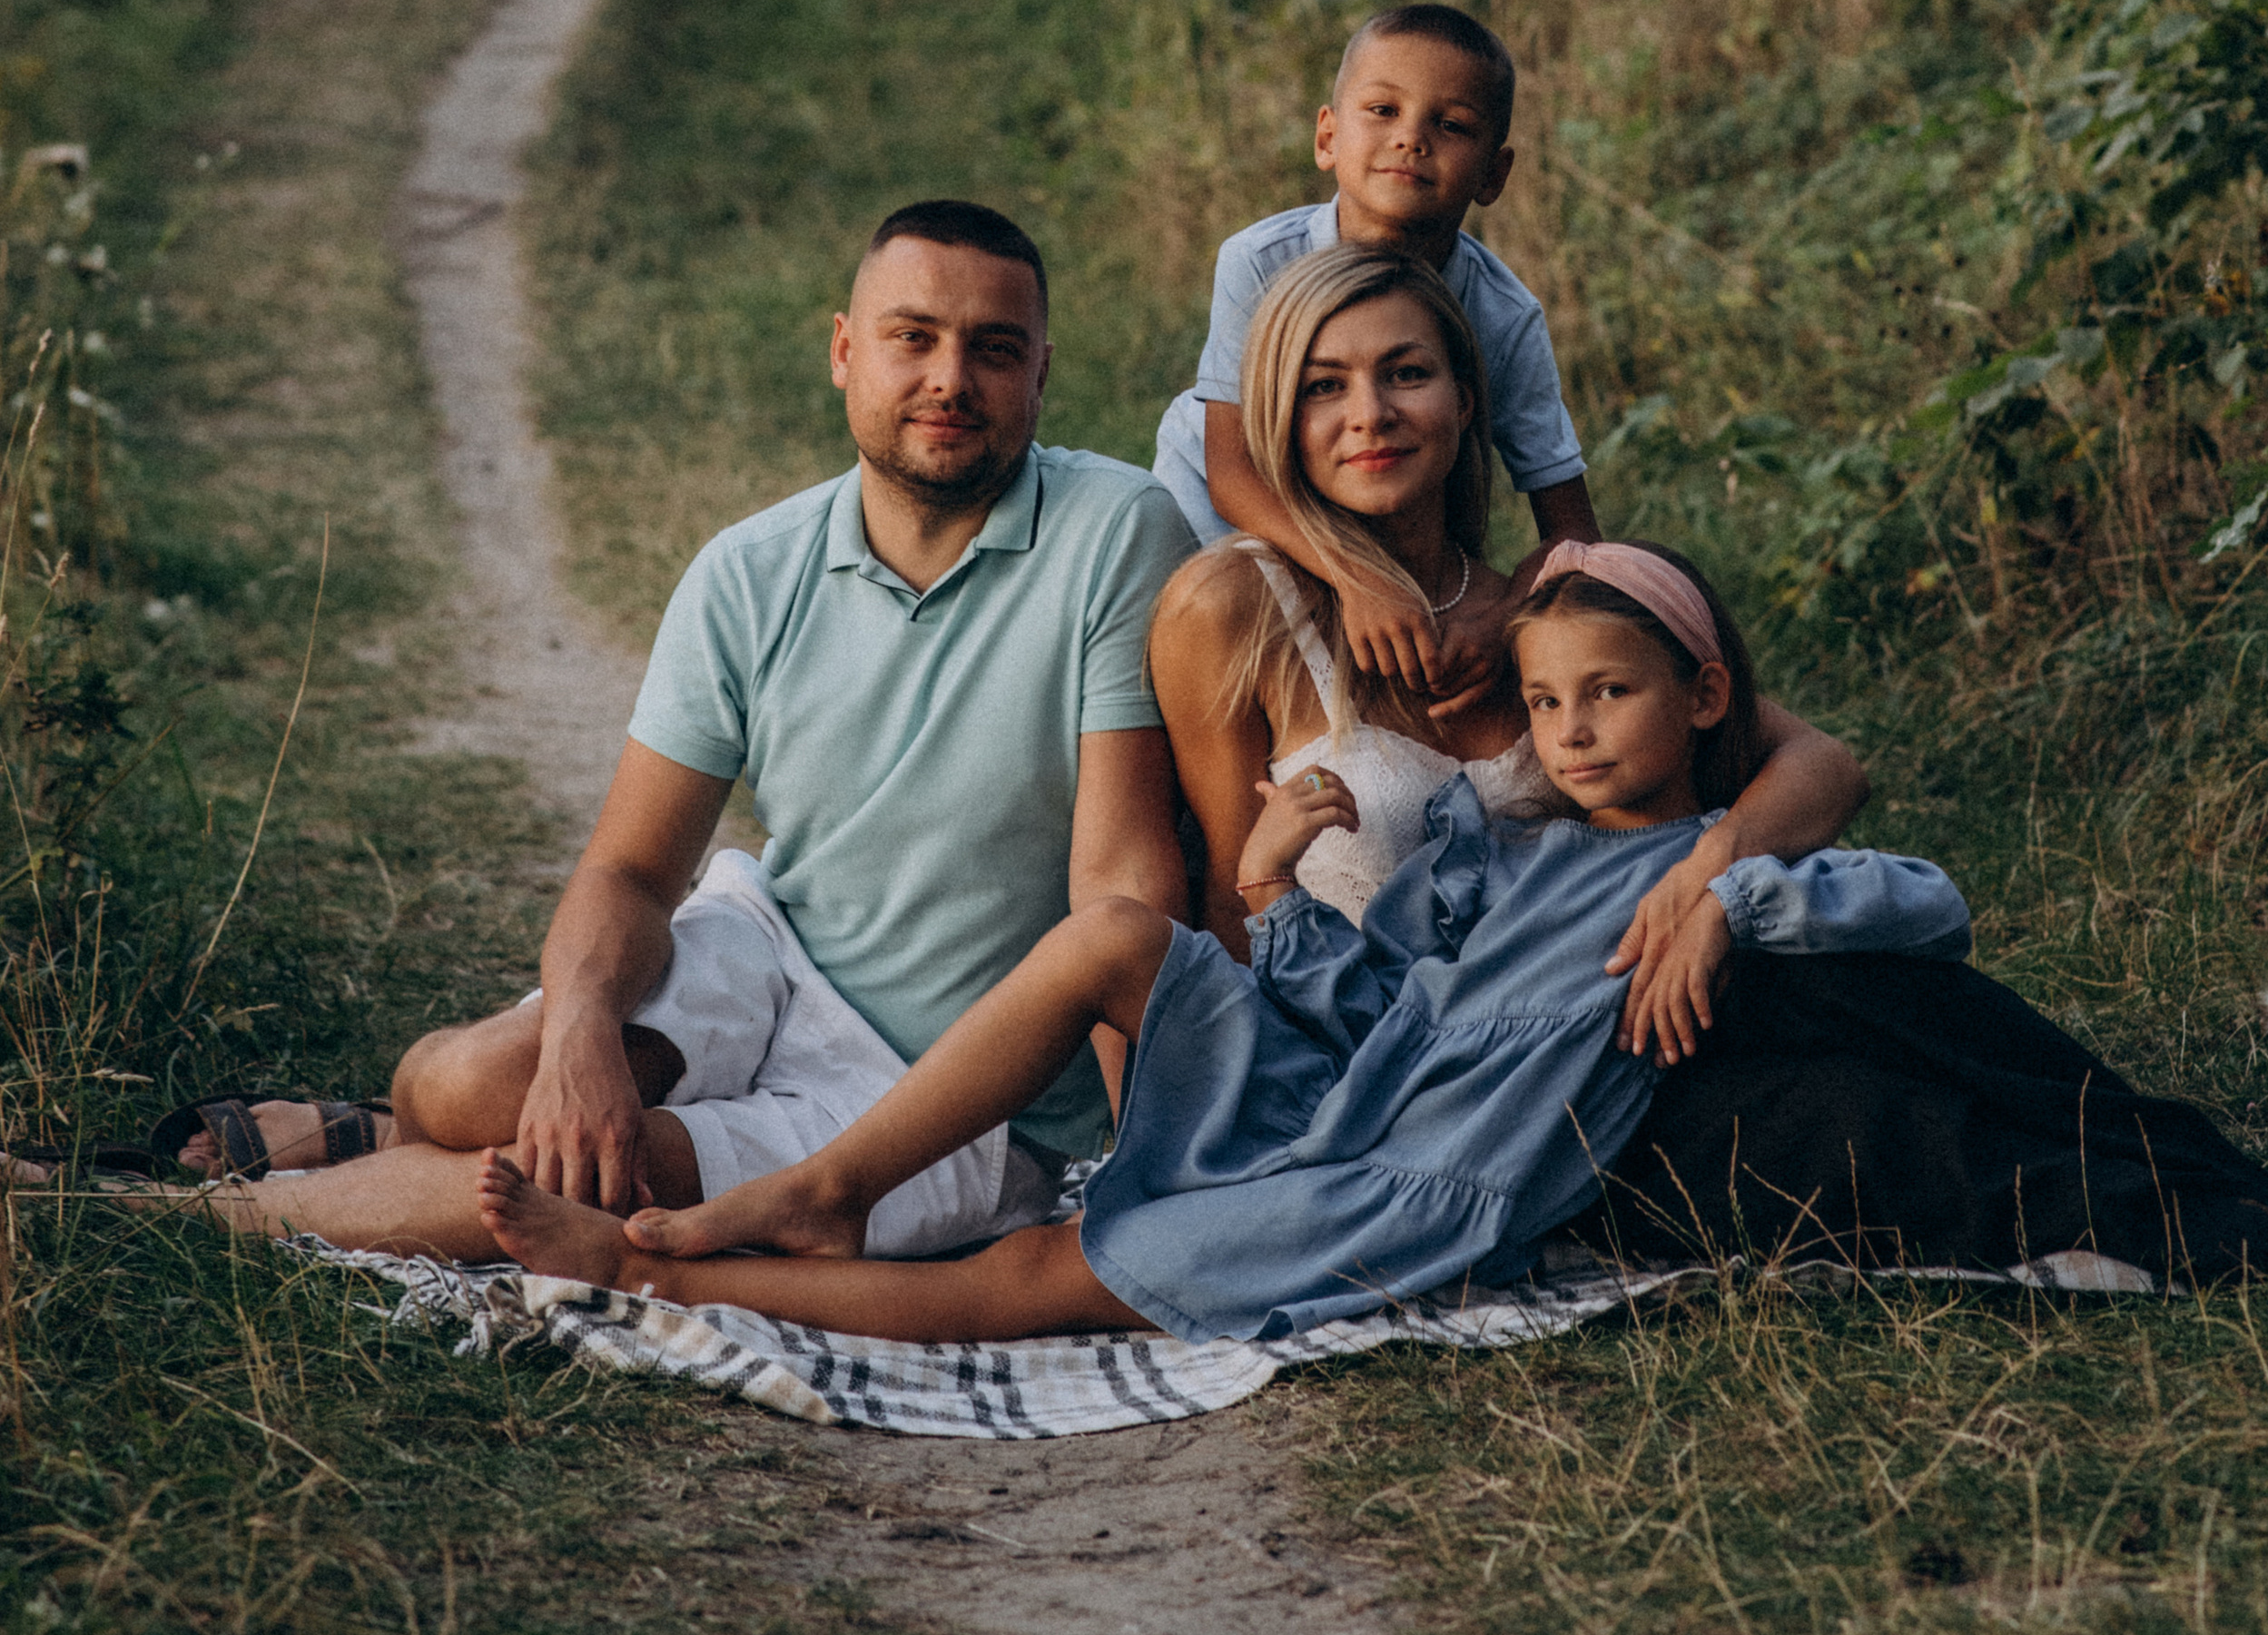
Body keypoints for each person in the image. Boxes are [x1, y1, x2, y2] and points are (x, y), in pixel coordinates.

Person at [470, 534, 2024, 1336]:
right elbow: (1393, 994)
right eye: (1549, 704)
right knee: (1119, 936)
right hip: (1332, 1084)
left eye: (1603, 697)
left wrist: (1725, 886)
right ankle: (823, 1187)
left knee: (1044, 1277)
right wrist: (1276, 894)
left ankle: (668, 1277)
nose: (1568, 730)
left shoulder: (1717, 858)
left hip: (1417, 1167)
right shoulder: (1512, 845)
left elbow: (1923, 901)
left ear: (1701, 699)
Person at [152, 200, 1195, 1259]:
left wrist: (1147, 1148)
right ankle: (381, 1122)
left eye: (995, 349)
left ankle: (157, 1211)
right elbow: (634, 871)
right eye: (912, 336)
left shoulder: (1114, 533)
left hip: (951, 1093)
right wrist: (576, 1039)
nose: (949, 378)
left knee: (573, 1183)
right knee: (462, 1083)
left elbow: (1116, 884)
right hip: (782, 956)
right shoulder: (748, 570)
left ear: (1042, 375)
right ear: (844, 350)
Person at [1149, 241, 1869, 1065]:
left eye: (1407, 373)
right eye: (1324, 386)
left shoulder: (1540, 611)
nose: (1371, 412)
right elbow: (1226, 907)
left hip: (1604, 1041)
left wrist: (1708, 879)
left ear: (1464, 402)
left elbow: (1827, 765)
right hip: (1366, 1066)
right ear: (1282, 418)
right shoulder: (1232, 607)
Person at [1151, 3, 1593, 712]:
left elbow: (1572, 531)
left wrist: (1504, 617)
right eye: (1383, 110)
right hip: (1229, 496)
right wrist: (1356, 577)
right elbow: (1230, 473)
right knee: (1206, 651)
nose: (1410, 139)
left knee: (1400, 681)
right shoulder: (1261, 261)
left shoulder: (1504, 316)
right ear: (1327, 136)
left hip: (1387, 506)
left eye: (1450, 126)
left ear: (1494, 173)